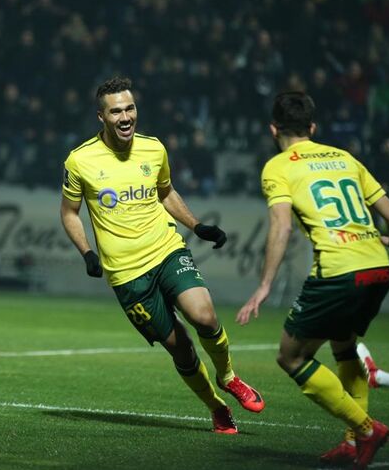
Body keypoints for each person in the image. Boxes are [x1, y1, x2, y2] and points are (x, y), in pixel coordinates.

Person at [60, 76, 264, 436]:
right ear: (101, 117)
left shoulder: (154, 149)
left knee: (204, 316)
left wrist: (197, 226)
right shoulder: (80, 160)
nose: (125, 117)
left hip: (166, 250)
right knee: (182, 351)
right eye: (116, 111)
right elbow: (69, 212)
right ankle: (216, 407)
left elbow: (165, 192)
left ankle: (230, 377)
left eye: (130, 108)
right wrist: (88, 253)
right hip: (127, 276)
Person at [235, 91, 389, 469]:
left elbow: (281, 226)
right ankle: (352, 444)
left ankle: (366, 430)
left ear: (273, 129)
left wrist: (265, 285)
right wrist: (388, 242)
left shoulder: (279, 166)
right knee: (345, 347)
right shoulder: (345, 157)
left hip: (338, 271)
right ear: (313, 128)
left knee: (291, 356)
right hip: (377, 269)